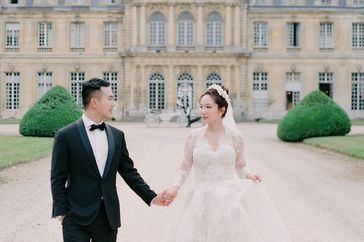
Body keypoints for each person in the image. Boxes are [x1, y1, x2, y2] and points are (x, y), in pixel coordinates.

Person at [162, 84, 291, 242]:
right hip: (200, 200)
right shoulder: (193, 136)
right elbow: (184, 167)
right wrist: (175, 186)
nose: (203, 111)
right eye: (201, 106)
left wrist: (249, 175)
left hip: (228, 200)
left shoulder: (235, 137)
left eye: (208, 107)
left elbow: (240, 165)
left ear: (221, 110)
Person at [51, 78, 169, 242]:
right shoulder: (65, 135)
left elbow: (129, 173)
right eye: (110, 98)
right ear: (94, 102)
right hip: (76, 217)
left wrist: (152, 197)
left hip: (108, 217)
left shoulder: (117, 136)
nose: (114, 103)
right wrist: (61, 211)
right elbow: (58, 177)